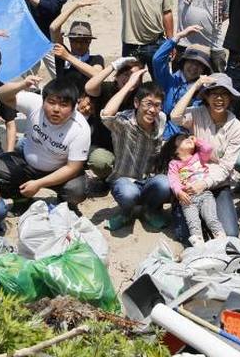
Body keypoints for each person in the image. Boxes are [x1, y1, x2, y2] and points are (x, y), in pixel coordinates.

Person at [170, 73, 240, 240]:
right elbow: (175, 117)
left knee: (231, 234)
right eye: (214, 93)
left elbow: (226, 167)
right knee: (186, 236)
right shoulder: (197, 114)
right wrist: (196, 86)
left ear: (231, 98)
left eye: (224, 94)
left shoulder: (236, 128)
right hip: (191, 178)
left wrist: (204, 184)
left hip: (217, 183)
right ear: (206, 96)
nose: (219, 99)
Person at [0, 76, 90, 210]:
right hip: (28, 163)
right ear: (43, 100)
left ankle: (64, 205)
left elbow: (72, 168)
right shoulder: (35, 104)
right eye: (51, 102)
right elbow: (1, 94)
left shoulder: (80, 128)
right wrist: (22, 84)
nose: (56, 109)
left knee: (77, 190)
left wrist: (38, 184)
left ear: (74, 106)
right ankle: (22, 200)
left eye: (64, 105)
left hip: (59, 170)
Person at [100, 70, 169, 231]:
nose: (152, 110)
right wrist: (130, 85)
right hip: (124, 180)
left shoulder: (161, 119)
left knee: (165, 184)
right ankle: (126, 213)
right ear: (137, 103)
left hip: (148, 180)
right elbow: (106, 114)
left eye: (157, 105)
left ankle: (148, 211)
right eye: (148, 104)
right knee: (128, 193)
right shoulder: (124, 122)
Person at [84, 57, 145, 180]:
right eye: (126, 74)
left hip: (128, 149)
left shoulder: (141, 95)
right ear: (116, 77)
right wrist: (113, 65)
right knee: (100, 161)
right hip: (102, 145)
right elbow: (89, 88)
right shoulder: (106, 89)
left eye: (134, 76)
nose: (129, 79)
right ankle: (104, 178)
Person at [153, 24, 212, 139]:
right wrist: (178, 37)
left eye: (200, 65)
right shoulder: (169, 80)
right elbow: (157, 60)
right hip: (158, 133)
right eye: (191, 62)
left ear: (204, 70)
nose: (194, 68)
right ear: (183, 62)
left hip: (184, 138)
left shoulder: (204, 92)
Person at [166, 135, 225, 247]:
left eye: (187, 137)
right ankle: (199, 245)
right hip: (188, 198)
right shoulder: (174, 163)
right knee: (193, 223)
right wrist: (179, 192)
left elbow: (208, 148)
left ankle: (221, 240)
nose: (187, 139)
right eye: (182, 139)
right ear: (175, 150)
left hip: (205, 195)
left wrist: (197, 140)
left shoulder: (199, 156)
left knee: (211, 218)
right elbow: (173, 180)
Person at [47, 0, 104, 85]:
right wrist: (76, 5)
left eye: (83, 41)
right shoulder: (62, 54)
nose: (78, 45)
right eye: (74, 41)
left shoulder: (96, 59)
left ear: (89, 41)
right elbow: (53, 28)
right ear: (69, 40)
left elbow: (97, 75)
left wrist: (68, 57)